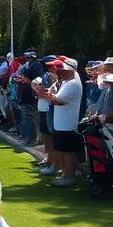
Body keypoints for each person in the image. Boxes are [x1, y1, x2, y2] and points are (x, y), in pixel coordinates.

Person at [43, 58, 83, 188]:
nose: (61, 72)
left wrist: (45, 95)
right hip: (61, 123)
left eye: (64, 70)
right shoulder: (67, 82)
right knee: (62, 151)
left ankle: (69, 177)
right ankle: (65, 175)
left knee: (68, 153)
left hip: (68, 124)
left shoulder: (73, 84)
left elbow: (59, 101)